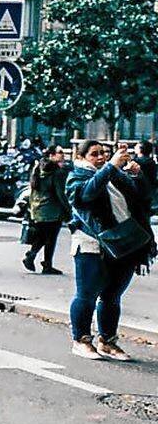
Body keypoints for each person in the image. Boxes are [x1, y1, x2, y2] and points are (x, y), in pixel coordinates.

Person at [66, 140, 153, 361]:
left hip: (123, 242)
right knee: (87, 295)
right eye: (95, 154)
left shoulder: (115, 175)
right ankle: (81, 340)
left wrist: (136, 175)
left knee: (112, 296)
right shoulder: (77, 176)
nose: (101, 157)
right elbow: (87, 194)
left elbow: (144, 198)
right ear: (82, 156)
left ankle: (107, 341)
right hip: (91, 244)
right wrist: (110, 167)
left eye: (104, 153)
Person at [23, 145, 71, 275]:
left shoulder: (38, 167)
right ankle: (45, 263)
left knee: (43, 236)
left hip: (39, 207)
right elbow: (60, 193)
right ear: (51, 155)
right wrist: (69, 210)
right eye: (60, 152)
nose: (63, 155)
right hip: (52, 209)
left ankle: (33, 257)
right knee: (50, 237)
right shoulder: (57, 172)